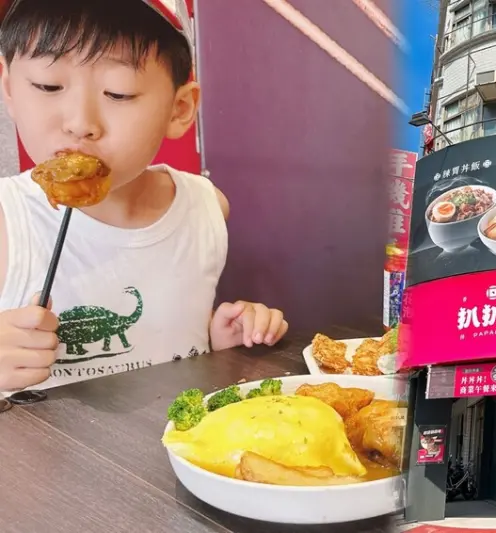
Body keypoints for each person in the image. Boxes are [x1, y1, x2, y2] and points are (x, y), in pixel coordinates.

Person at [0, 0, 288, 392]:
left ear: (179, 109)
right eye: (48, 86)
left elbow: (171, 346)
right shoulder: (7, 220)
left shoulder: (205, 208)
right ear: (9, 88)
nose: (80, 123)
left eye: (118, 94)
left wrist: (220, 346)